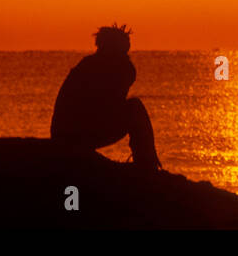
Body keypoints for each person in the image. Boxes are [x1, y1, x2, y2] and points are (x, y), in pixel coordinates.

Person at [50, 23, 161, 170]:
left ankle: (146, 161)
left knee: (133, 108)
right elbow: (110, 106)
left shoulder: (87, 65)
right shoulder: (108, 68)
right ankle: (146, 163)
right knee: (135, 108)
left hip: (66, 134)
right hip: (76, 134)